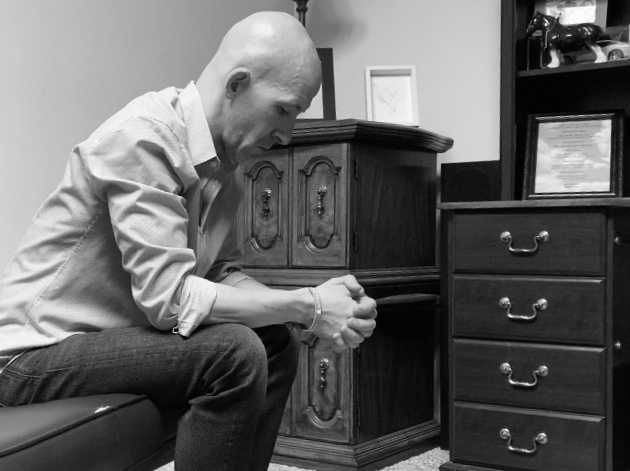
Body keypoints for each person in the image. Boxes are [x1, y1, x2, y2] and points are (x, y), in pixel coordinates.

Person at [0, 11, 377, 471]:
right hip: (30, 357)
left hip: (105, 345)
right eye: (284, 109)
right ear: (237, 84)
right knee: (234, 352)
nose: (287, 134)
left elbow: (220, 275)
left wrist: (311, 308)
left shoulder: (225, 167)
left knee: (275, 342)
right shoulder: (144, 138)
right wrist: (309, 305)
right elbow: (171, 300)